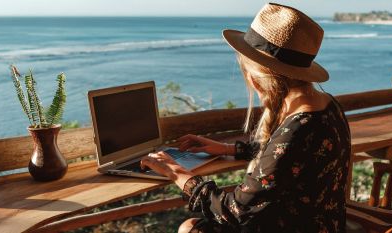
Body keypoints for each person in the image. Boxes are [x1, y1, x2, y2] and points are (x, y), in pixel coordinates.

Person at [140, 3, 352, 233]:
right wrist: (228, 149)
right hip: (324, 224)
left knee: (190, 228)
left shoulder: (298, 130)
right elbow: (290, 161)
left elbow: (235, 211)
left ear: (256, 79)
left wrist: (177, 172)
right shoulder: (327, 105)